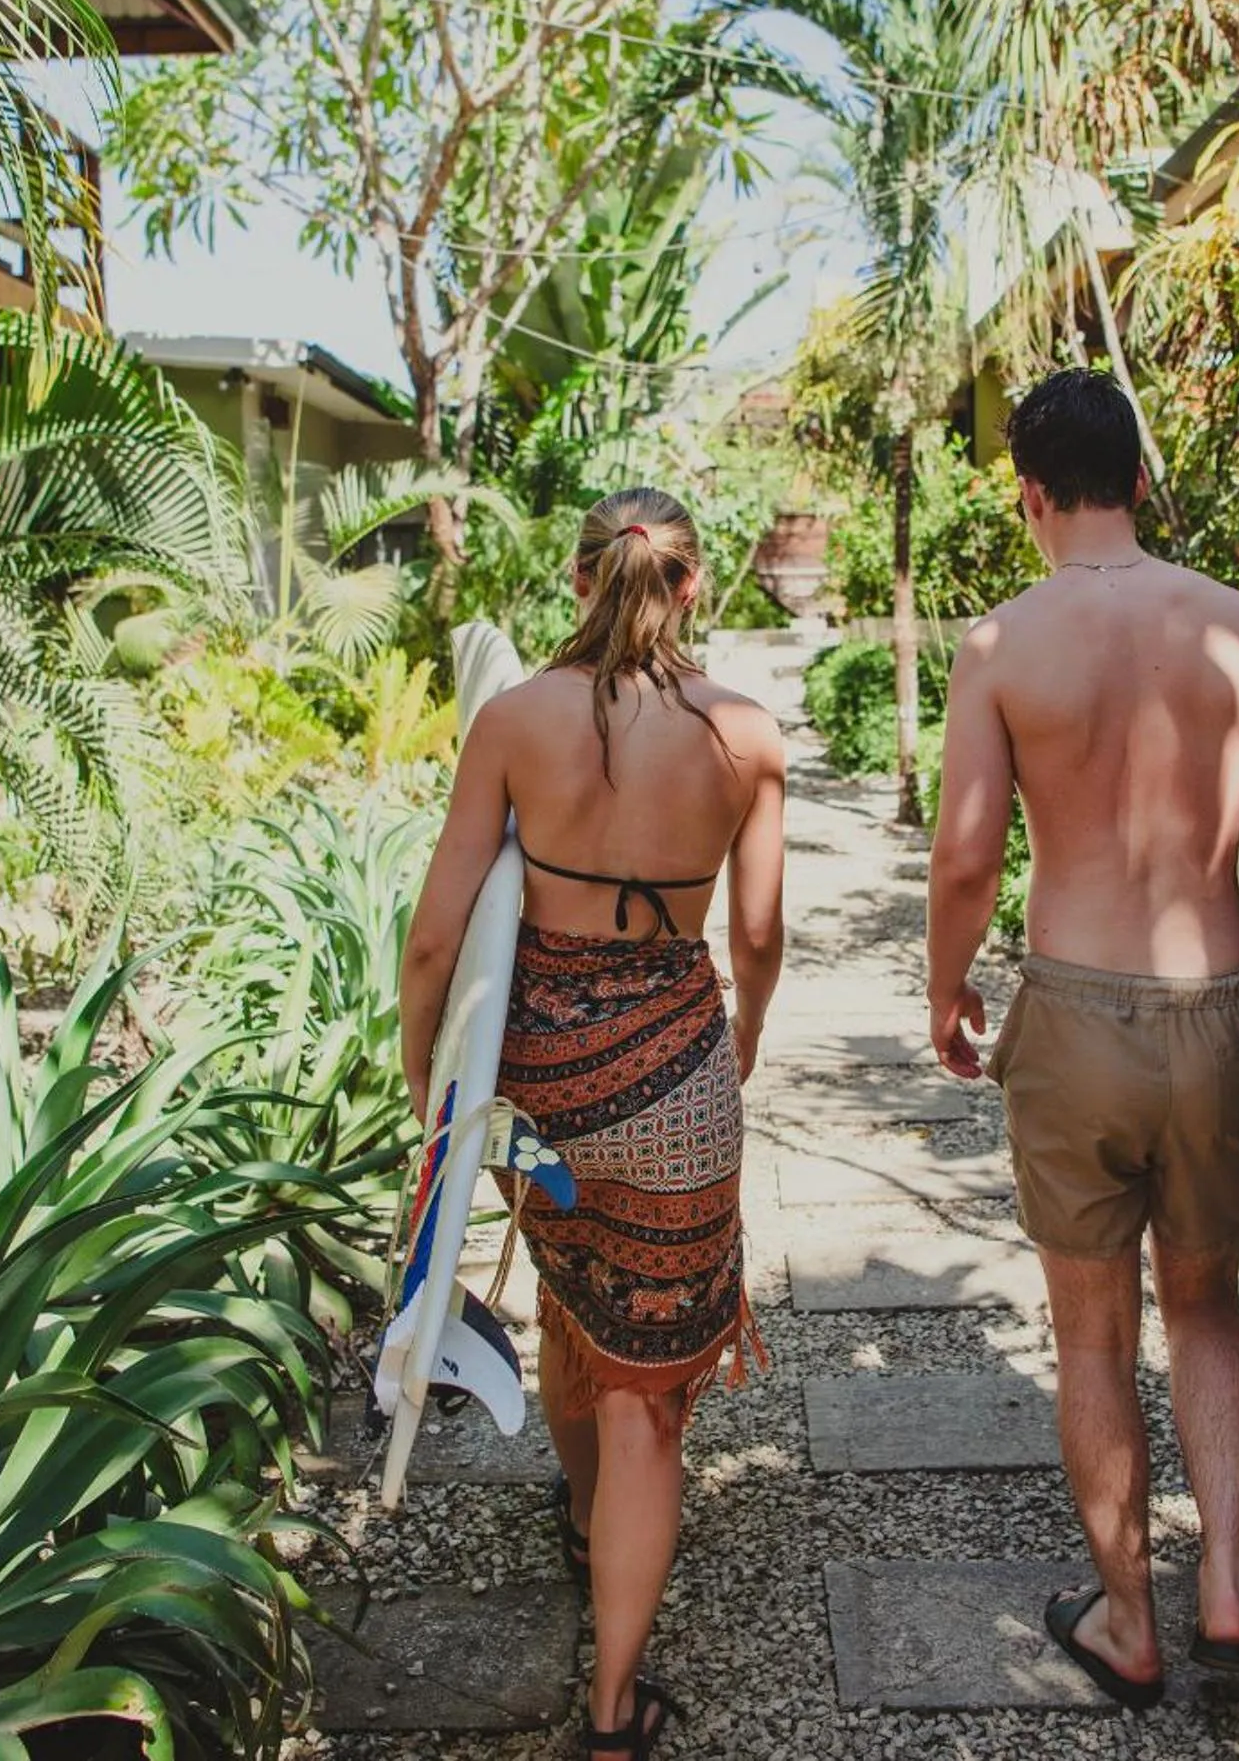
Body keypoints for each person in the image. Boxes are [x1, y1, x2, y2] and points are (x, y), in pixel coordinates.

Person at [925, 369, 1239, 1709]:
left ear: (1029, 494)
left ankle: (1127, 1621)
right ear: (1143, 482)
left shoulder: (1002, 645)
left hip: (1079, 1006)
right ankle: (1227, 1589)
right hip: (1216, 1005)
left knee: (1093, 1333)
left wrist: (946, 988)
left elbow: (967, 854)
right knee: (1208, 1299)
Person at [400, 487, 786, 1760]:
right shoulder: (743, 732)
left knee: (572, 1290)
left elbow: (437, 936)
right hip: (677, 1083)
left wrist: (428, 1088)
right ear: (696, 587)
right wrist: (736, 1048)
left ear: (582, 583)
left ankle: (583, 1513)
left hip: (537, 1088)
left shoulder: (515, 720)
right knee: (650, 1400)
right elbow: (761, 935)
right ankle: (615, 1708)